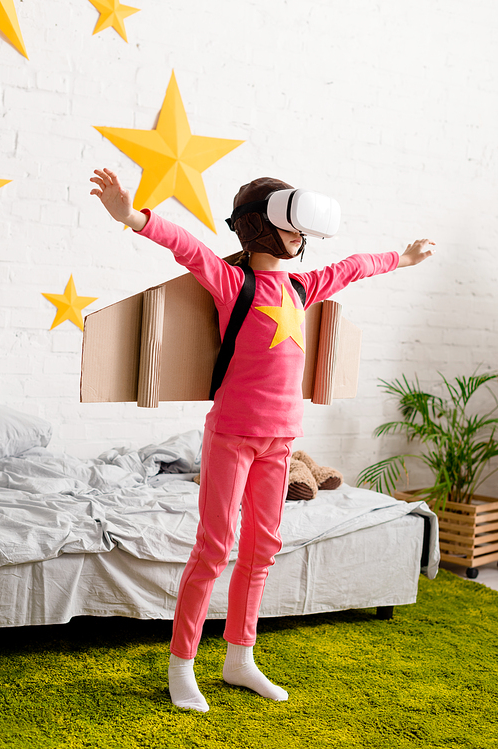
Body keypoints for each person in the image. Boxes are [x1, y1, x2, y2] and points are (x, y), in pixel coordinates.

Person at [90, 167, 435, 712]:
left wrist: (403, 258)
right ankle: (183, 665)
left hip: (281, 442)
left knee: (262, 548)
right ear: (262, 229)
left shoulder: (302, 286)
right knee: (214, 547)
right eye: (291, 228)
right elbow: (188, 248)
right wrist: (132, 216)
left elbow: (352, 267)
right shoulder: (235, 284)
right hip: (231, 436)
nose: (300, 239)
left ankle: (239, 657)